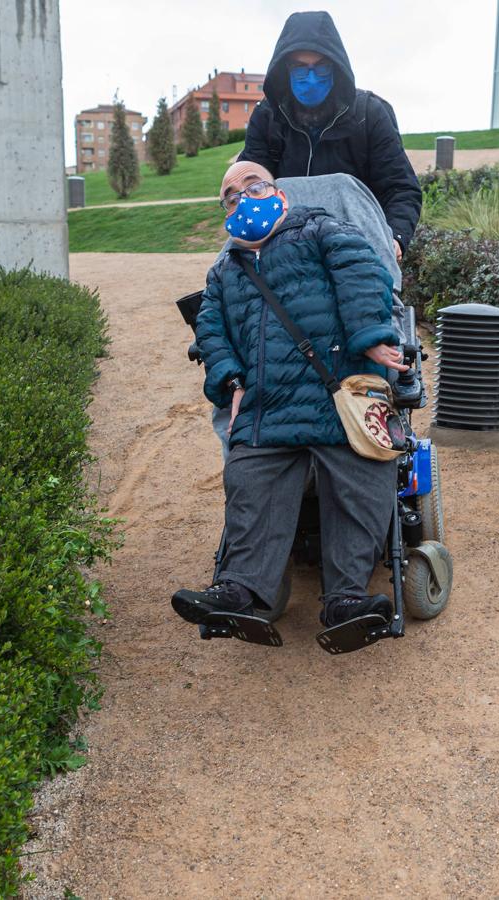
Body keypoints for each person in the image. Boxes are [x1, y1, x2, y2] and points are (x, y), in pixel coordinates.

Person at [171, 161, 408, 634]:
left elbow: (362, 271)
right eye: (231, 194)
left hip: (344, 394)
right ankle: (237, 588)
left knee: (360, 476)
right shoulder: (225, 270)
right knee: (249, 475)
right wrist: (231, 381)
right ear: (226, 211)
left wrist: (371, 334)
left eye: (253, 184)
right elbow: (211, 332)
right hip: (270, 402)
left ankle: (345, 598)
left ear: (277, 192)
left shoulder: (319, 228)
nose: (243, 196)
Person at [237, 10, 422, 262]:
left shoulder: (369, 114)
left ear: (336, 67)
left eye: (321, 68)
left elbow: (400, 187)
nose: (311, 78)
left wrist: (394, 237)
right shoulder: (267, 118)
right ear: (285, 69)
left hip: (357, 251)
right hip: (286, 252)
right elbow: (248, 186)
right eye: (300, 69)